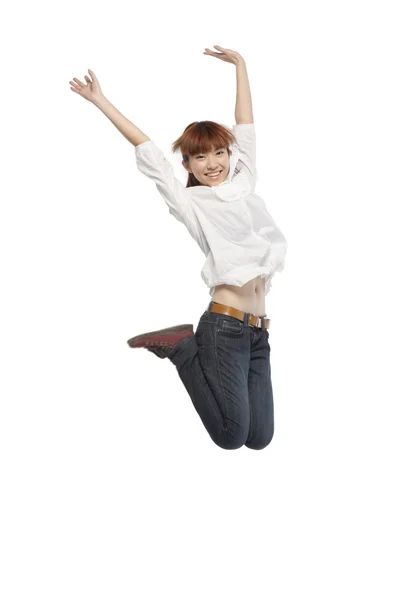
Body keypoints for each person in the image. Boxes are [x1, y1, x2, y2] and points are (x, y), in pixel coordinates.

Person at [69, 45, 288, 451]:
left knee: (259, 438)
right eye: (199, 157)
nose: (212, 163)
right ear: (187, 165)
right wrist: (101, 101)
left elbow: (246, 125)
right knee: (230, 436)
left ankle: (188, 349)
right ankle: (182, 348)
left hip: (259, 334)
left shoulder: (245, 180)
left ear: (229, 154)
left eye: (219, 152)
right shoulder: (191, 204)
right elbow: (149, 154)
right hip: (224, 327)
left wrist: (241, 65)